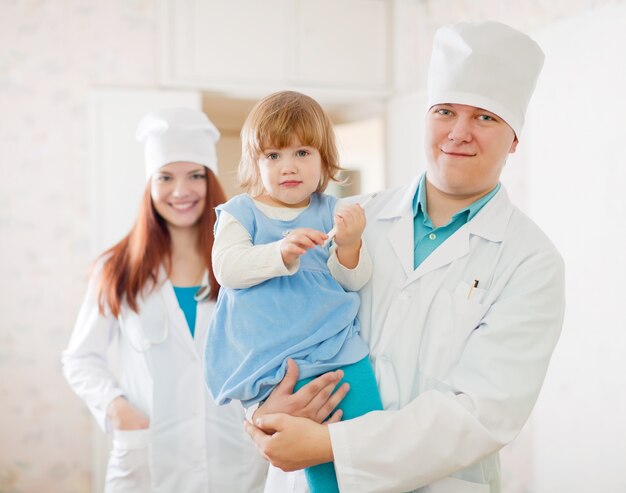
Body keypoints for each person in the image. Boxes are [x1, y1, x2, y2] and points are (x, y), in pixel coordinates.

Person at [244, 21, 566, 493]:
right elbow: (267, 320)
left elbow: (483, 413)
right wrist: (262, 411)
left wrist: (333, 444)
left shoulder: (531, 261)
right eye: (445, 111)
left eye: (485, 117)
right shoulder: (354, 219)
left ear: (515, 137)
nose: (458, 133)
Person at [62, 108, 267, 493]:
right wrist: (117, 409)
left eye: (195, 176)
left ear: (210, 182)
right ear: (150, 185)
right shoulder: (117, 267)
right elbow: (80, 358)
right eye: (166, 177)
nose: (181, 191)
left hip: (237, 462)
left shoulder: (247, 259)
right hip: (149, 463)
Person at [203, 90, 383, 493]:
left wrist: (351, 245)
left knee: (371, 447)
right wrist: (279, 252)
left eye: (303, 153)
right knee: (315, 457)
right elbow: (227, 268)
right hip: (283, 368)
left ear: (324, 160)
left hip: (340, 351)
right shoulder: (240, 213)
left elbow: (351, 281)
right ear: (255, 162)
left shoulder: (328, 211)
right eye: (274, 156)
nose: (289, 167)